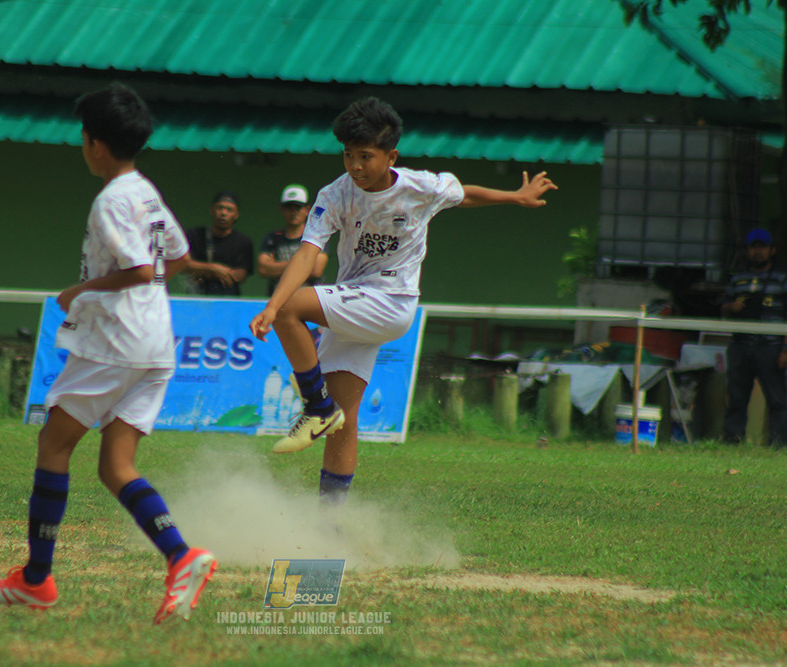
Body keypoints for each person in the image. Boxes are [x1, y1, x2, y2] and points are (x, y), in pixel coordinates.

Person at [249, 97, 556, 507]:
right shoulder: (335, 194)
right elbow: (307, 252)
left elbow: (464, 194)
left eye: (365, 156)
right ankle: (329, 521)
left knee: (292, 310)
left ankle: (315, 405)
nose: (355, 166)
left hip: (391, 302)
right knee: (346, 416)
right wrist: (272, 305)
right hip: (354, 303)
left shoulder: (419, 187)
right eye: (347, 155)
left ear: (391, 155)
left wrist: (514, 197)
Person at [0, 83, 216, 624]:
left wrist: (80, 292)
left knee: (54, 442)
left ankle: (37, 579)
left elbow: (138, 268)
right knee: (116, 467)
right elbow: (176, 258)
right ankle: (182, 557)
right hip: (156, 341)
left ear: (95, 144)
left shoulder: (111, 198)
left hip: (116, 342)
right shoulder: (145, 189)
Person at [720, 228, 787, 445]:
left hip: (771, 347)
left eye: (762, 247)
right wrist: (731, 306)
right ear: (747, 251)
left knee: (777, 400)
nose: (758, 252)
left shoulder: (784, 280)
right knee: (736, 398)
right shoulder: (738, 280)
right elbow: (723, 308)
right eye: (754, 248)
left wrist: (786, 348)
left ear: (771, 250)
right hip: (741, 344)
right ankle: (732, 441)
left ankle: (777, 444)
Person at [258, 184, 328, 296]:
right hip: (277, 301)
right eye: (289, 208)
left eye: (298, 208)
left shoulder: (316, 236)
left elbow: (316, 270)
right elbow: (263, 269)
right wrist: (305, 264)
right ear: (282, 210)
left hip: (308, 300)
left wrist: (275, 267)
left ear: (307, 210)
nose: (293, 212)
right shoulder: (273, 238)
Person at [182, 191, 254, 295]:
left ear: (236, 215)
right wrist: (213, 269)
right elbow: (183, 265)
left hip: (228, 299)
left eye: (229, 210)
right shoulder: (195, 235)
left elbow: (240, 275)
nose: (223, 213)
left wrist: (201, 271)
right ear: (212, 210)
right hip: (197, 296)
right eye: (219, 208)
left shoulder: (243, 241)